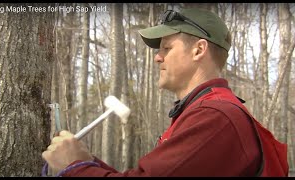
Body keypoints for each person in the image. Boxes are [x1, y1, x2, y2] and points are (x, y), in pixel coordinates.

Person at [42, 7, 288, 177]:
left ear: (199, 50)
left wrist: (75, 167)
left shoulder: (216, 117)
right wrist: (86, 161)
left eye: (167, 47)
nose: (157, 57)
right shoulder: (203, 112)